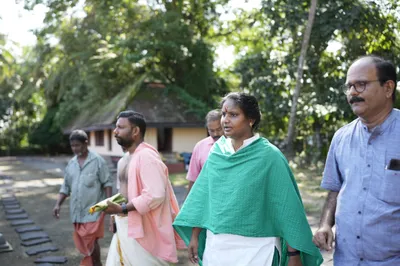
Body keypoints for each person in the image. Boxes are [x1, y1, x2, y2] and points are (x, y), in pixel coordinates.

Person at [173, 92, 323, 266]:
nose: (225, 120)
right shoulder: (216, 153)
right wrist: (195, 236)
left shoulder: (269, 156)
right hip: (217, 247)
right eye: (224, 114)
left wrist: (293, 254)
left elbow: (286, 207)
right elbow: (202, 198)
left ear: (250, 119)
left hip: (257, 249)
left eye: (233, 115)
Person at [313, 55, 400, 265]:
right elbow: (335, 189)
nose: (352, 93)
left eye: (361, 85)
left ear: (388, 88)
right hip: (346, 260)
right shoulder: (341, 137)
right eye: (349, 86)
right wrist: (325, 224)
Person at [104, 110, 185, 266]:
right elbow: (122, 193)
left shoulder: (147, 157)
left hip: (145, 228)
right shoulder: (123, 161)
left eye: (120, 127)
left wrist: (122, 209)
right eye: (116, 127)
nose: (115, 131)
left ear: (135, 131)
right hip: (124, 224)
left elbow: (155, 195)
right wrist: (114, 216)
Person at [53, 129, 112, 266]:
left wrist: (109, 205)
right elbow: (65, 187)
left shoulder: (98, 161)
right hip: (77, 211)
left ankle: (97, 264)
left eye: (77, 145)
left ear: (86, 143)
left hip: (94, 209)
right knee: (84, 243)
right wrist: (58, 205)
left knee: (92, 241)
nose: (74, 148)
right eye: (72, 145)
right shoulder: (71, 164)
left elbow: (107, 184)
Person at [186, 109, 223, 194]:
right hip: (206, 197)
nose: (215, 134)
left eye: (219, 129)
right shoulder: (200, 146)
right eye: (211, 130)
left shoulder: (234, 145)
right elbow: (193, 179)